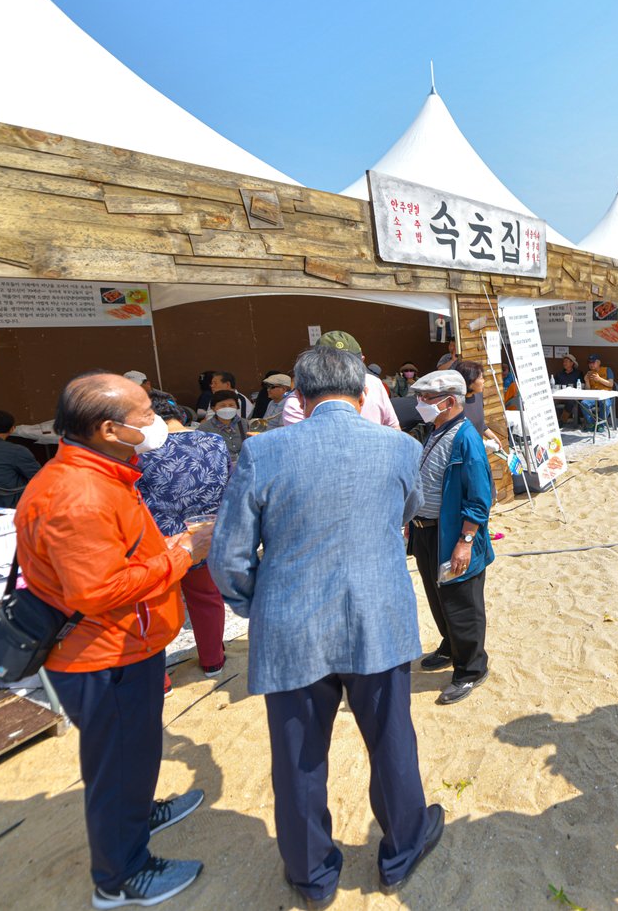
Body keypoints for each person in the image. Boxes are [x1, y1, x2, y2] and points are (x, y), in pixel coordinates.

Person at [208, 346, 443, 904]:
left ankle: (312, 873)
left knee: (297, 757)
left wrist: (254, 604)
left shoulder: (263, 451)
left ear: (299, 396)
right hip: (377, 617)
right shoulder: (400, 447)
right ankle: (402, 849)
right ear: (364, 394)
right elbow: (407, 511)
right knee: (392, 742)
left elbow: (228, 556)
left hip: (290, 624)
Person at [15, 372, 210, 907]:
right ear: (108, 428)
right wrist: (183, 554)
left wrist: (168, 546)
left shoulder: (100, 474)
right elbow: (98, 591)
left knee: (133, 750)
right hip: (101, 655)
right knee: (116, 762)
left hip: (128, 644)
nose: (155, 422)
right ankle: (121, 875)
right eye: (144, 414)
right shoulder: (77, 496)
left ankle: (138, 810)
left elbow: (115, 558)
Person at [407, 369, 495, 705]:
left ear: (449, 401)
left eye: (427, 398)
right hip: (427, 533)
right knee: (438, 596)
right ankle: (450, 645)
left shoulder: (465, 437)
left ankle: (471, 668)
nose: (421, 403)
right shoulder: (437, 430)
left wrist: (466, 541)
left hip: (453, 537)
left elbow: (478, 497)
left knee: (462, 603)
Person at [137, 394, 230, 678]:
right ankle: (213, 660)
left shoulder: (139, 452)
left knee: (154, 608)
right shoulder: (214, 442)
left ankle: (159, 678)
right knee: (207, 598)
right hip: (203, 535)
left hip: (158, 542)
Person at [280, 330, 401, 429]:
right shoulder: (296, 402)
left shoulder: (374, 383)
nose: (341, 368)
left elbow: (393, 427)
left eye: (349, 362)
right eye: (331, 363)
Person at [455, 360, 504, 451]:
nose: (483, 381)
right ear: (469, 381)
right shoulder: (455, 405)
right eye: (480, 378)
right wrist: (484, 443)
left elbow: (479, 423)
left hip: (478, 452)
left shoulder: (478, 395)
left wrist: (492, 436)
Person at [197, 390, 248, 467]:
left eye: (231, 405)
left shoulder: (246, 424)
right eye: (222, 405)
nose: (227, 408)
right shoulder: (204, 428)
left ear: (237, 407)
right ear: (214, 408)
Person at [581, 353, 617, 429]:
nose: (591, 365)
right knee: (583, 403)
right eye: (589, 363)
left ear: (598, 362)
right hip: (593, 396)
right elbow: (587, 391)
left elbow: (611, 384)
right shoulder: (589, 373)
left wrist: (599, 379)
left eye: (593, 362)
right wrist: (586, 381)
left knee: (606, 404)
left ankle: (601, 425)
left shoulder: (607, 370)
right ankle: (592, 423)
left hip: (605, 395)